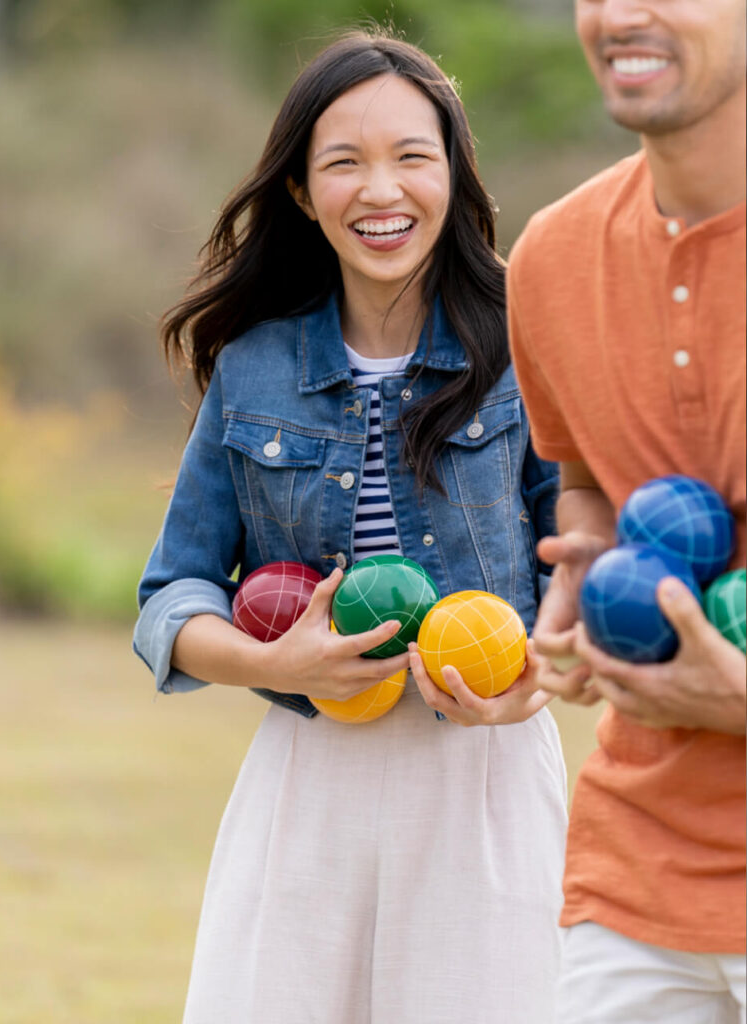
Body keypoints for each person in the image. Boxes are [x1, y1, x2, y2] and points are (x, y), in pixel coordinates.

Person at [133, 28, 568, 1024]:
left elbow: (572, 560)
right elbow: (173, 596)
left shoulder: (524, 341)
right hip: (308, 779)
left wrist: (538, 666)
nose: (382, 190)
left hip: (483, 778)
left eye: (412, 157)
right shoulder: (251, 367)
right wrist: (280, 665)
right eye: (343, 162)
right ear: (299, 191)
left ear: (453, 174)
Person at [507, 0, 746, 1021]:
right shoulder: (549, 261)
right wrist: (584, 559)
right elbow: (585, 477)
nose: (622, 14)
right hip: (632, 885)